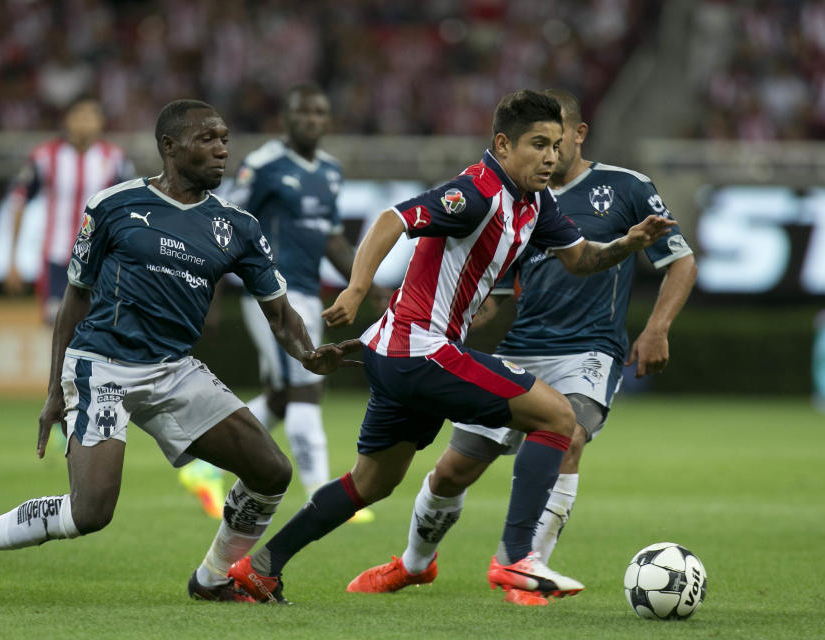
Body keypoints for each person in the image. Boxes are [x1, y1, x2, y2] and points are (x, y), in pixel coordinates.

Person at [227, 90, 676, 604]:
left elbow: (580, 259)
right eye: (538, 144)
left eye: (556, 145)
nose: (551, 157)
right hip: (420, 350)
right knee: (557, 417)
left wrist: (627, 244)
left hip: (399, 353)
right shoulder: (477, 192)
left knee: (370, 482)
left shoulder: (535, 201)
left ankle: (260, 567)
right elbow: (392, 219)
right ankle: (516, 559)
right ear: (503, 144)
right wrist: (355, 289)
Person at [0, 99, 358, 602]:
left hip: (174, 369)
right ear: (169, 148)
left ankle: (214, 577)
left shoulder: (238, 226)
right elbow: (75, 299)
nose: (222, 150)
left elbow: (280, 313)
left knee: (271, 472)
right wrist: (53, 392)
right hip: (101, 367)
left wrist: (308, 354)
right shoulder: (114, 205)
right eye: (208, 139)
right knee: (91, 513)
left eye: (224, 139)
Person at [178, 84, 382, 521]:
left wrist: (365, 283)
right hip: (270, 295)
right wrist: (207, 292)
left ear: (328, 121)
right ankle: (324, 496)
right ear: (286, 119)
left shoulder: (330, 170)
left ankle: (201, 466)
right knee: (309, 385)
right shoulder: (264, 165)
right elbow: (223, 225)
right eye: (302, 112)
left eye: (319, 112)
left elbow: (332, 239)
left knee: (285, 395)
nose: (311, 119)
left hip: (308, 292)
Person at [3, 95, 135, 325]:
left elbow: (129, 208)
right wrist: (12, 261)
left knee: (97, 325)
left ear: (101, 122)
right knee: (56, 325)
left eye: (91, 115)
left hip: (99, 258)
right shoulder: (44, 156)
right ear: (67, 120)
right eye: (79, 115)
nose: (85, 122)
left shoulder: (115, 158)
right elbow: (18, 201)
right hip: (56, 258)